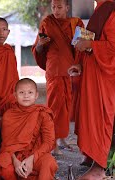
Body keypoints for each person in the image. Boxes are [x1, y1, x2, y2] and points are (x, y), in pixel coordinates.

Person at [68, 0, 115, 179]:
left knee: (101, 117)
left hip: (106, 77)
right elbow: (94, 37)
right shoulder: (101, 7)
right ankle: (92, 156)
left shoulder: (111, 8)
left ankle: (99, 167)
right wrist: (80, 64)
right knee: (89, 114)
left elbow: (112, 48)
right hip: (93, 71)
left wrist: (90, 46)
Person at [31, 0, 84, 154]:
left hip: (71, 69)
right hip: (54, 69)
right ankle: (51, 142)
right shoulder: (47, 22)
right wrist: (41, 43)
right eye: (53, 7)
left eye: (59, 7)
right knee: (55, 106)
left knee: (67, 105)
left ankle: (61, 138)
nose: (56, 10)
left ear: (67, 8)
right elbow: (38, 48)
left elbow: (85, 44)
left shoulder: (76, 23)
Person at [0, 78, 58, 179]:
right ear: (15, 95)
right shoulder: (9, 115)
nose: (26, 95)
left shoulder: (43, 114)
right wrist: (15, 162)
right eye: (21, 92)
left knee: (49, 162)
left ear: (36, 95)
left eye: (30, 92)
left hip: (36, 154)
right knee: (5, 168)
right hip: (15, 155)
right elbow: (7, 145)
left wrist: (32, 159)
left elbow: (48, 142)